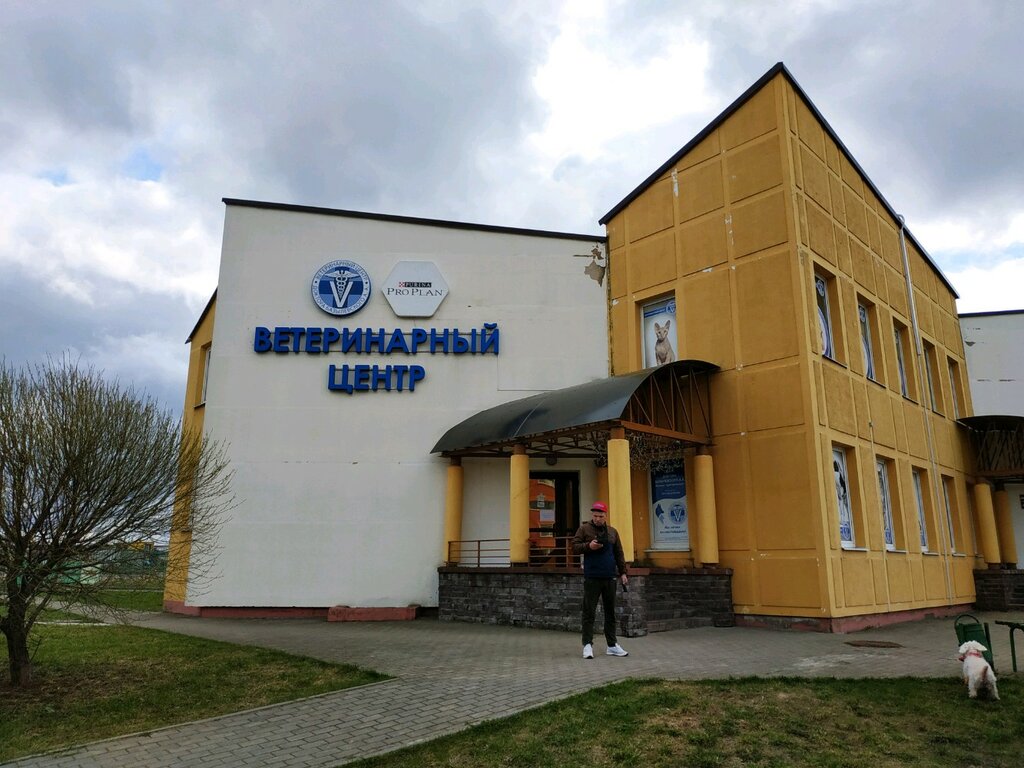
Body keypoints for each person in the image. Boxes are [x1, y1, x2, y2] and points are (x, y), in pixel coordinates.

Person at [572, 501, 629, 659]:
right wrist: (589, 546)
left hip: (610, 576)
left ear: (606, 516)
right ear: (592, 515)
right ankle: (587, 645)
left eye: (600, 516)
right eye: (595, 516)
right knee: (589, 612)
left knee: (610, 612)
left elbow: (619, 553)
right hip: (592, 576)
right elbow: (575, 547)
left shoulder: (612, 532)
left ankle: (612, 645)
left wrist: (623, 572)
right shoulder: (584, 529)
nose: (597, 518)